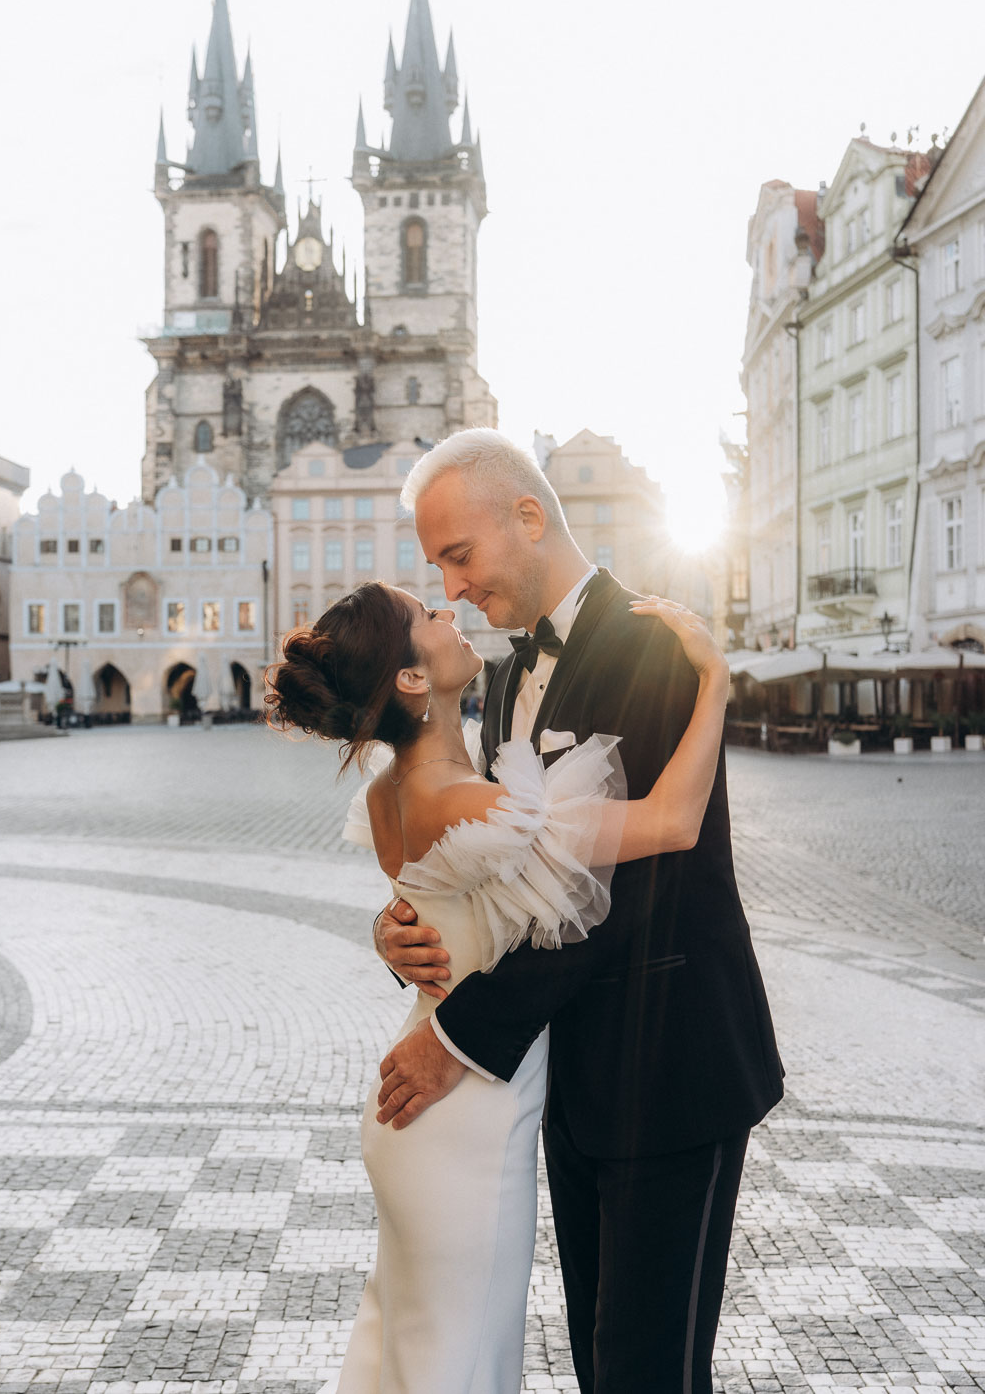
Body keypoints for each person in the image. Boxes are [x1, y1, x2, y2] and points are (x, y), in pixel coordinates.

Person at [374, 429, 784, 1394]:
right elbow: (511, 878)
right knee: (606, 1365)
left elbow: (630, 892)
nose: (453, 588)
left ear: (527, 517)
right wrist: (407, 933)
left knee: (652, 1373)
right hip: (576, 1084)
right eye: (436, 566)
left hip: (675, 1067)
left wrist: (459, 1037)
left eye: (459, 556)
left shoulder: (652, 642)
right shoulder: (509, 673)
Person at [264, 578, 732, 1393]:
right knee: (459, 1356)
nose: (451, 609)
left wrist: (387, 930)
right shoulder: (478, 804)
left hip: (424, 1104)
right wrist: (717, 681)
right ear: (412, 678)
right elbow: (672, 823)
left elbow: (431, 916)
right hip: (465, 1110)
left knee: (410, 1345)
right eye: (429, 615)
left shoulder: (387, 797)